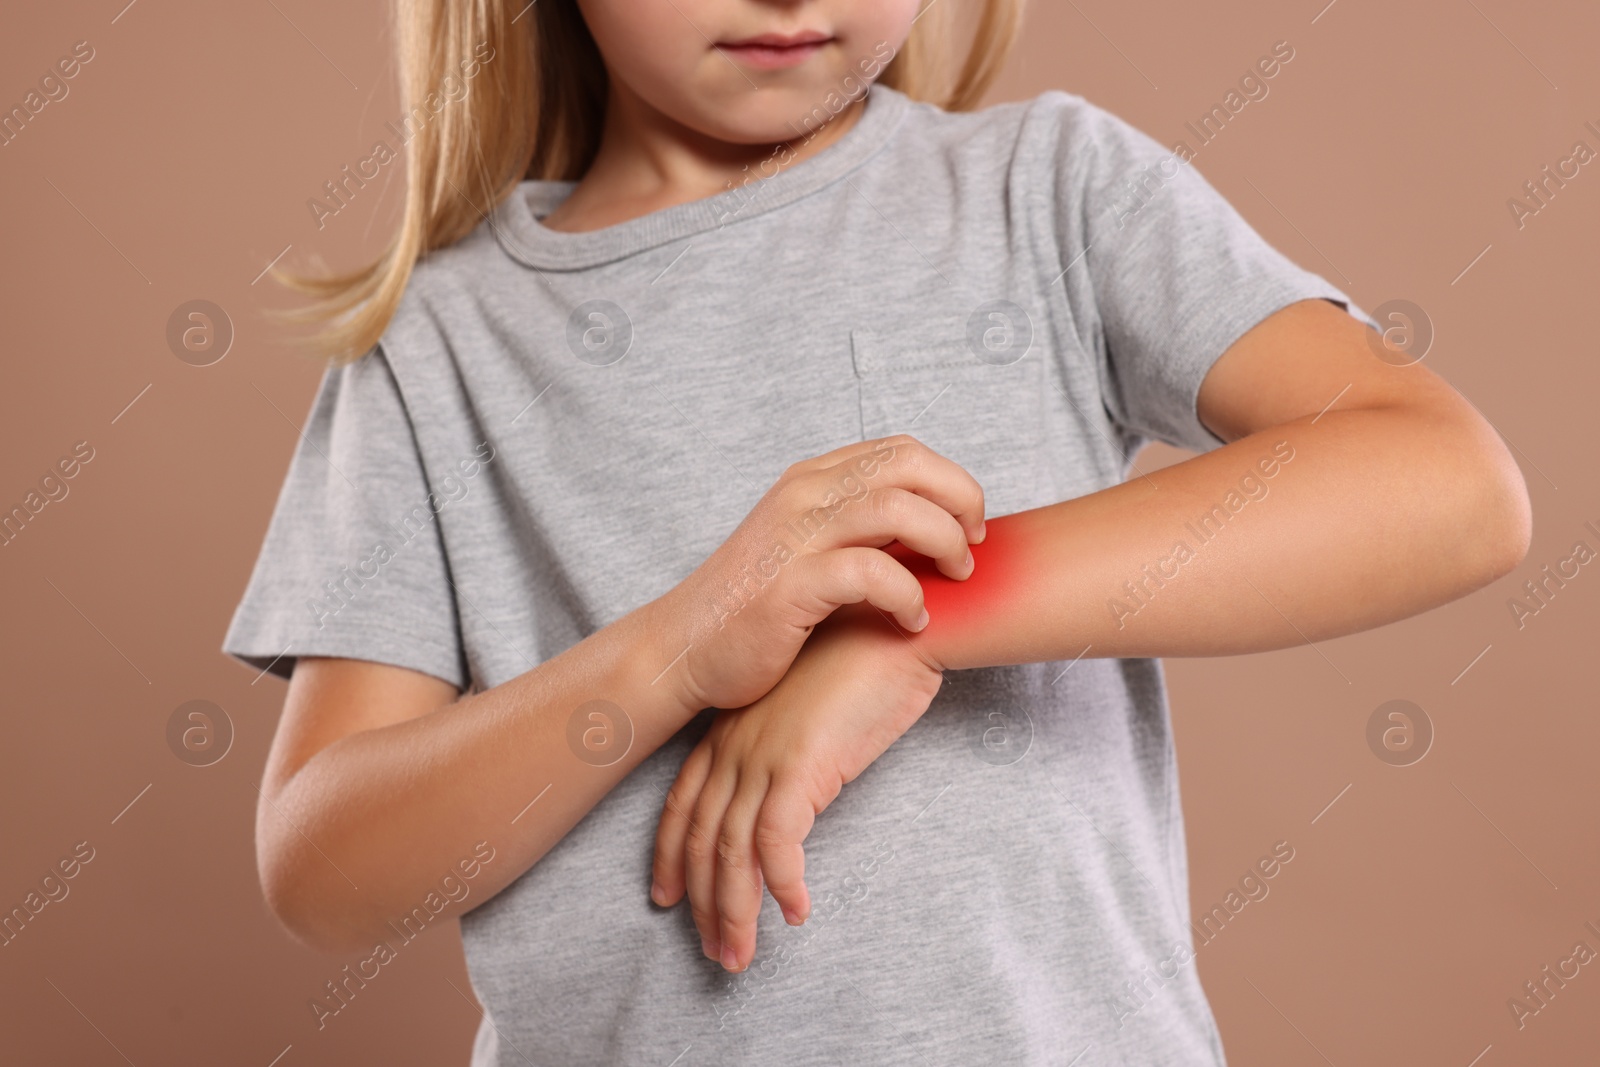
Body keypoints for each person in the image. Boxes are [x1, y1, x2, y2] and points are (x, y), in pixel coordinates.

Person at [222, 1, 1532, 1062]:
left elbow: (1444, 482)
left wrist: (910, 622)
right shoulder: (439, 346)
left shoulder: (1049, 191)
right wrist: (681, 651)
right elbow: (327, 869)